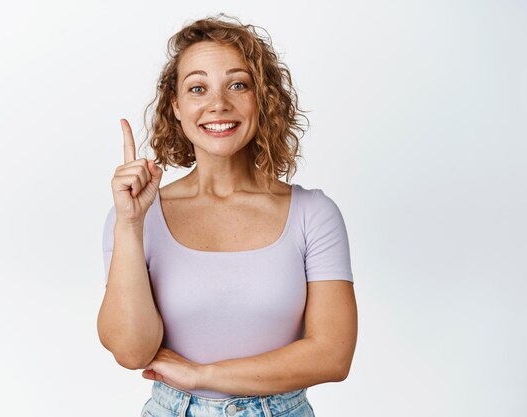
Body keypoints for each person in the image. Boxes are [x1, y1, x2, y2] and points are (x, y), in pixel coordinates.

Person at [98, 13, 357, 417]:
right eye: (197, 88)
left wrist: (204, 375)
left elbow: (332, 356)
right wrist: (129, 225)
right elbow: (132, 351)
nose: (218, 103)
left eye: (238, 84)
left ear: (263, 99)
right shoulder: (137, 216)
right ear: (177, 107)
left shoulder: (313, 214)